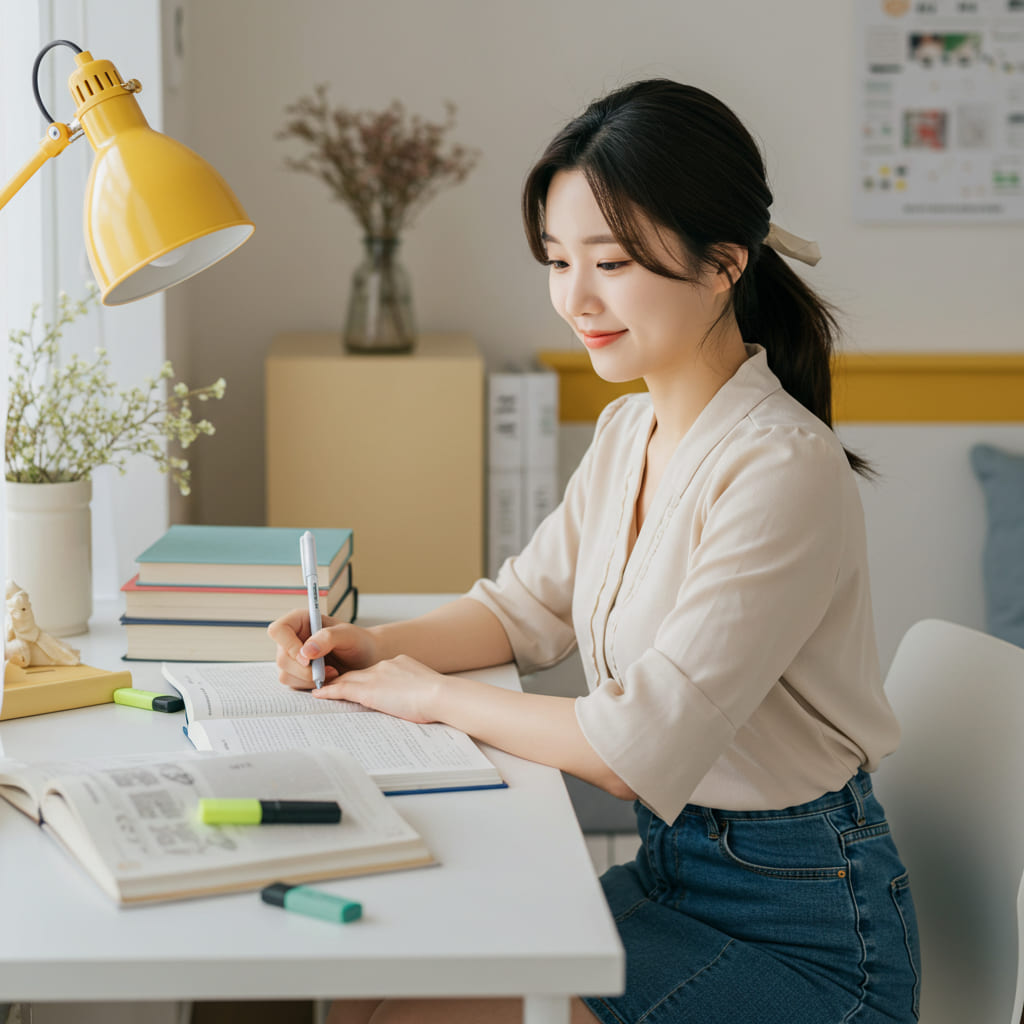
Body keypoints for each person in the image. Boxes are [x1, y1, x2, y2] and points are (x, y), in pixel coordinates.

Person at [269, 78, 920, 1024]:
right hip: (674, 873)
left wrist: (432, 694)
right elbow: (523, 610)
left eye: (610, 262)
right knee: (368, 984)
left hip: (805, 931)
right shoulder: (629, 432)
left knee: (414, 1015)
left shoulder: (785, 471)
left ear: (725, 262)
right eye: (557, 259)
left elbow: (632, 748)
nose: (575, 298)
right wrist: (367, 641)